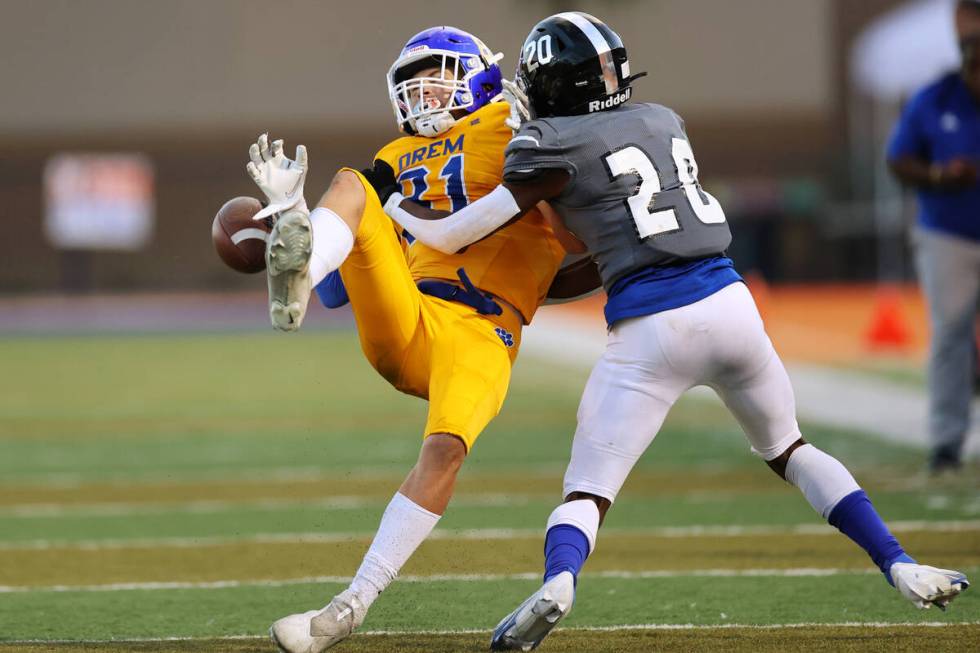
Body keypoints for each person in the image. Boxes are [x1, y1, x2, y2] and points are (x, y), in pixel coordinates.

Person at [367, 12, 971, 651]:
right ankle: (900, 562)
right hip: (732, 303)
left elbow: (453, 233)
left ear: (552, 85)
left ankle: (560, 582)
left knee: (587, 494)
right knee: (792, 451)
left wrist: (388, 201)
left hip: (651, 328)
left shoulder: (544, 145)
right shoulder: (662, 118)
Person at [246, 27, 568, 653]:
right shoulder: (395, 156)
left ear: (480, 74)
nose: (424, 91)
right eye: (413, 81)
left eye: (439, 74)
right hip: (413, 317)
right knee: (355, 182)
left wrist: (552, 127)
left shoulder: (515, 123)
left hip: (484, 328)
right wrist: (295, 224)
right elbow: (351, 287)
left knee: (445, 448)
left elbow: (576, 221)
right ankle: (295, 273)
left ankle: (349, 606)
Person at [887, 0, 980, 473]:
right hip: (949, 232)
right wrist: (943, 175)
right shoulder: (936, 98)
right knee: (950, 335)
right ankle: (947, 443)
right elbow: (898, 159)